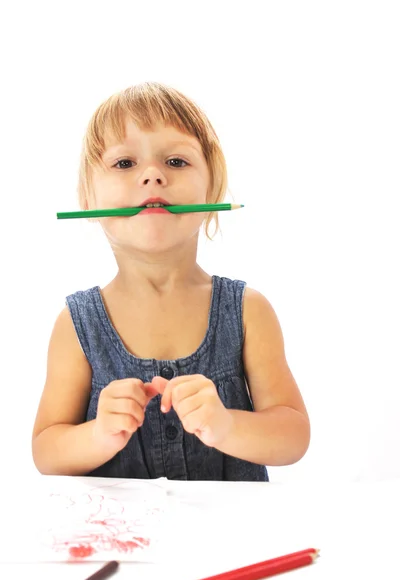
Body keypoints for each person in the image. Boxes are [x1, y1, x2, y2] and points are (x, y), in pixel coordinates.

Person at [32, 82, 310, 481]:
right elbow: (46, 451)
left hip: (232, 540)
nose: (152, 176)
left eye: (177, 162)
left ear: (212, 190)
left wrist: (228, 426)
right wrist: (98, 435)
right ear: (89, 200)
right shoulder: (76, 325)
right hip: (119, 541)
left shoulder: (249, 311)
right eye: (124, 163)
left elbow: (294, 436)